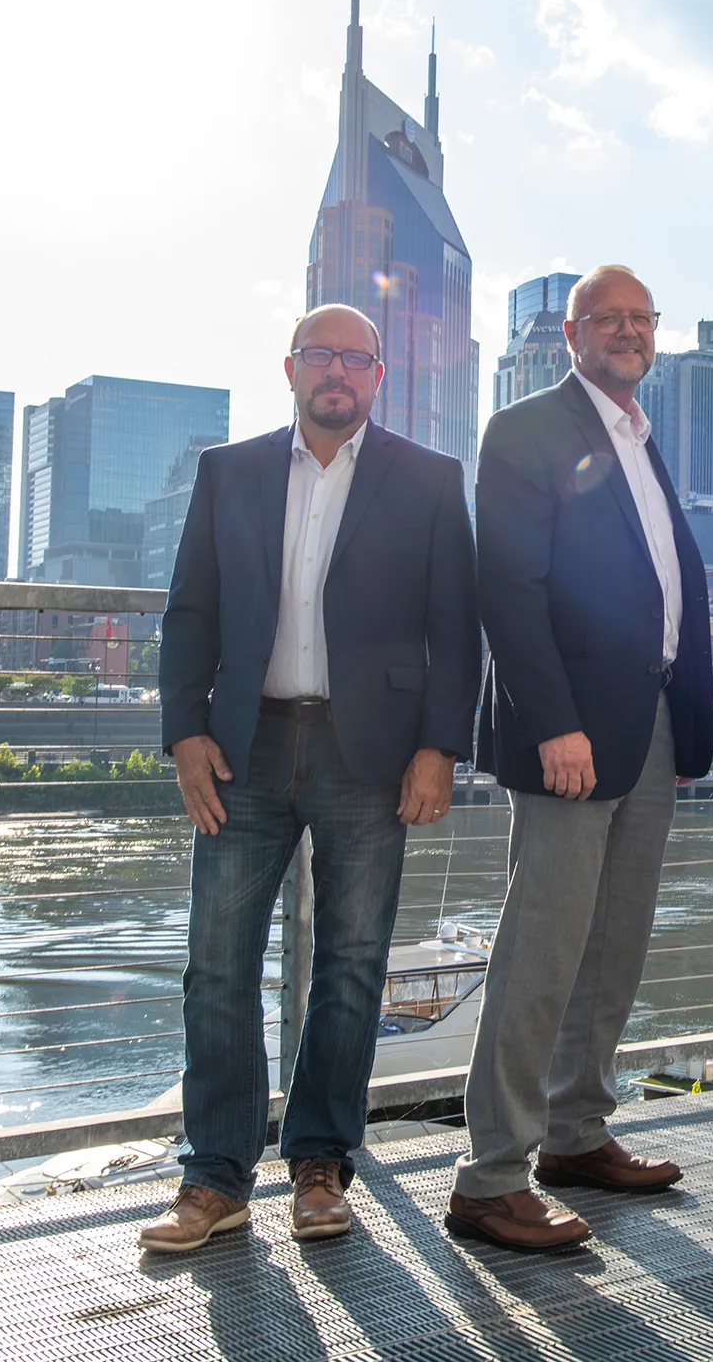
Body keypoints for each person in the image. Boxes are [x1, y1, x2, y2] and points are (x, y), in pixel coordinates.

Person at [141, 303, 480, 1252]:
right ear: (290, 368)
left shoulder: (429, 481)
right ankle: (214, 1178)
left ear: (380, 376)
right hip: (240, 750)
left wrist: (440, 748)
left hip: (370, 754)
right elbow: (189, 615)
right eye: (322, 355)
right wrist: (182, 736)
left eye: (357, 358)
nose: (339, 371)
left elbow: (458, 629)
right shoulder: (229, 472)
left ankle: (323, 1162)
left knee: (352, 967)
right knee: (216, 966)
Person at [447, 264, 713, 1252]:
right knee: (544, 945)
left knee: (616, 941)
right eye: (609, 318)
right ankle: (488, 1177)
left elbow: (662, 588)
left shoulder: (642, 441)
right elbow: (509, 589)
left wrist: (686, 730)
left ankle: (574, 1132)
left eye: (643, 317)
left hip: (645, 728)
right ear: (569, 332)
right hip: (569, 730)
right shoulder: (526, 431)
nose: (628, 332)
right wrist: (551, 720)